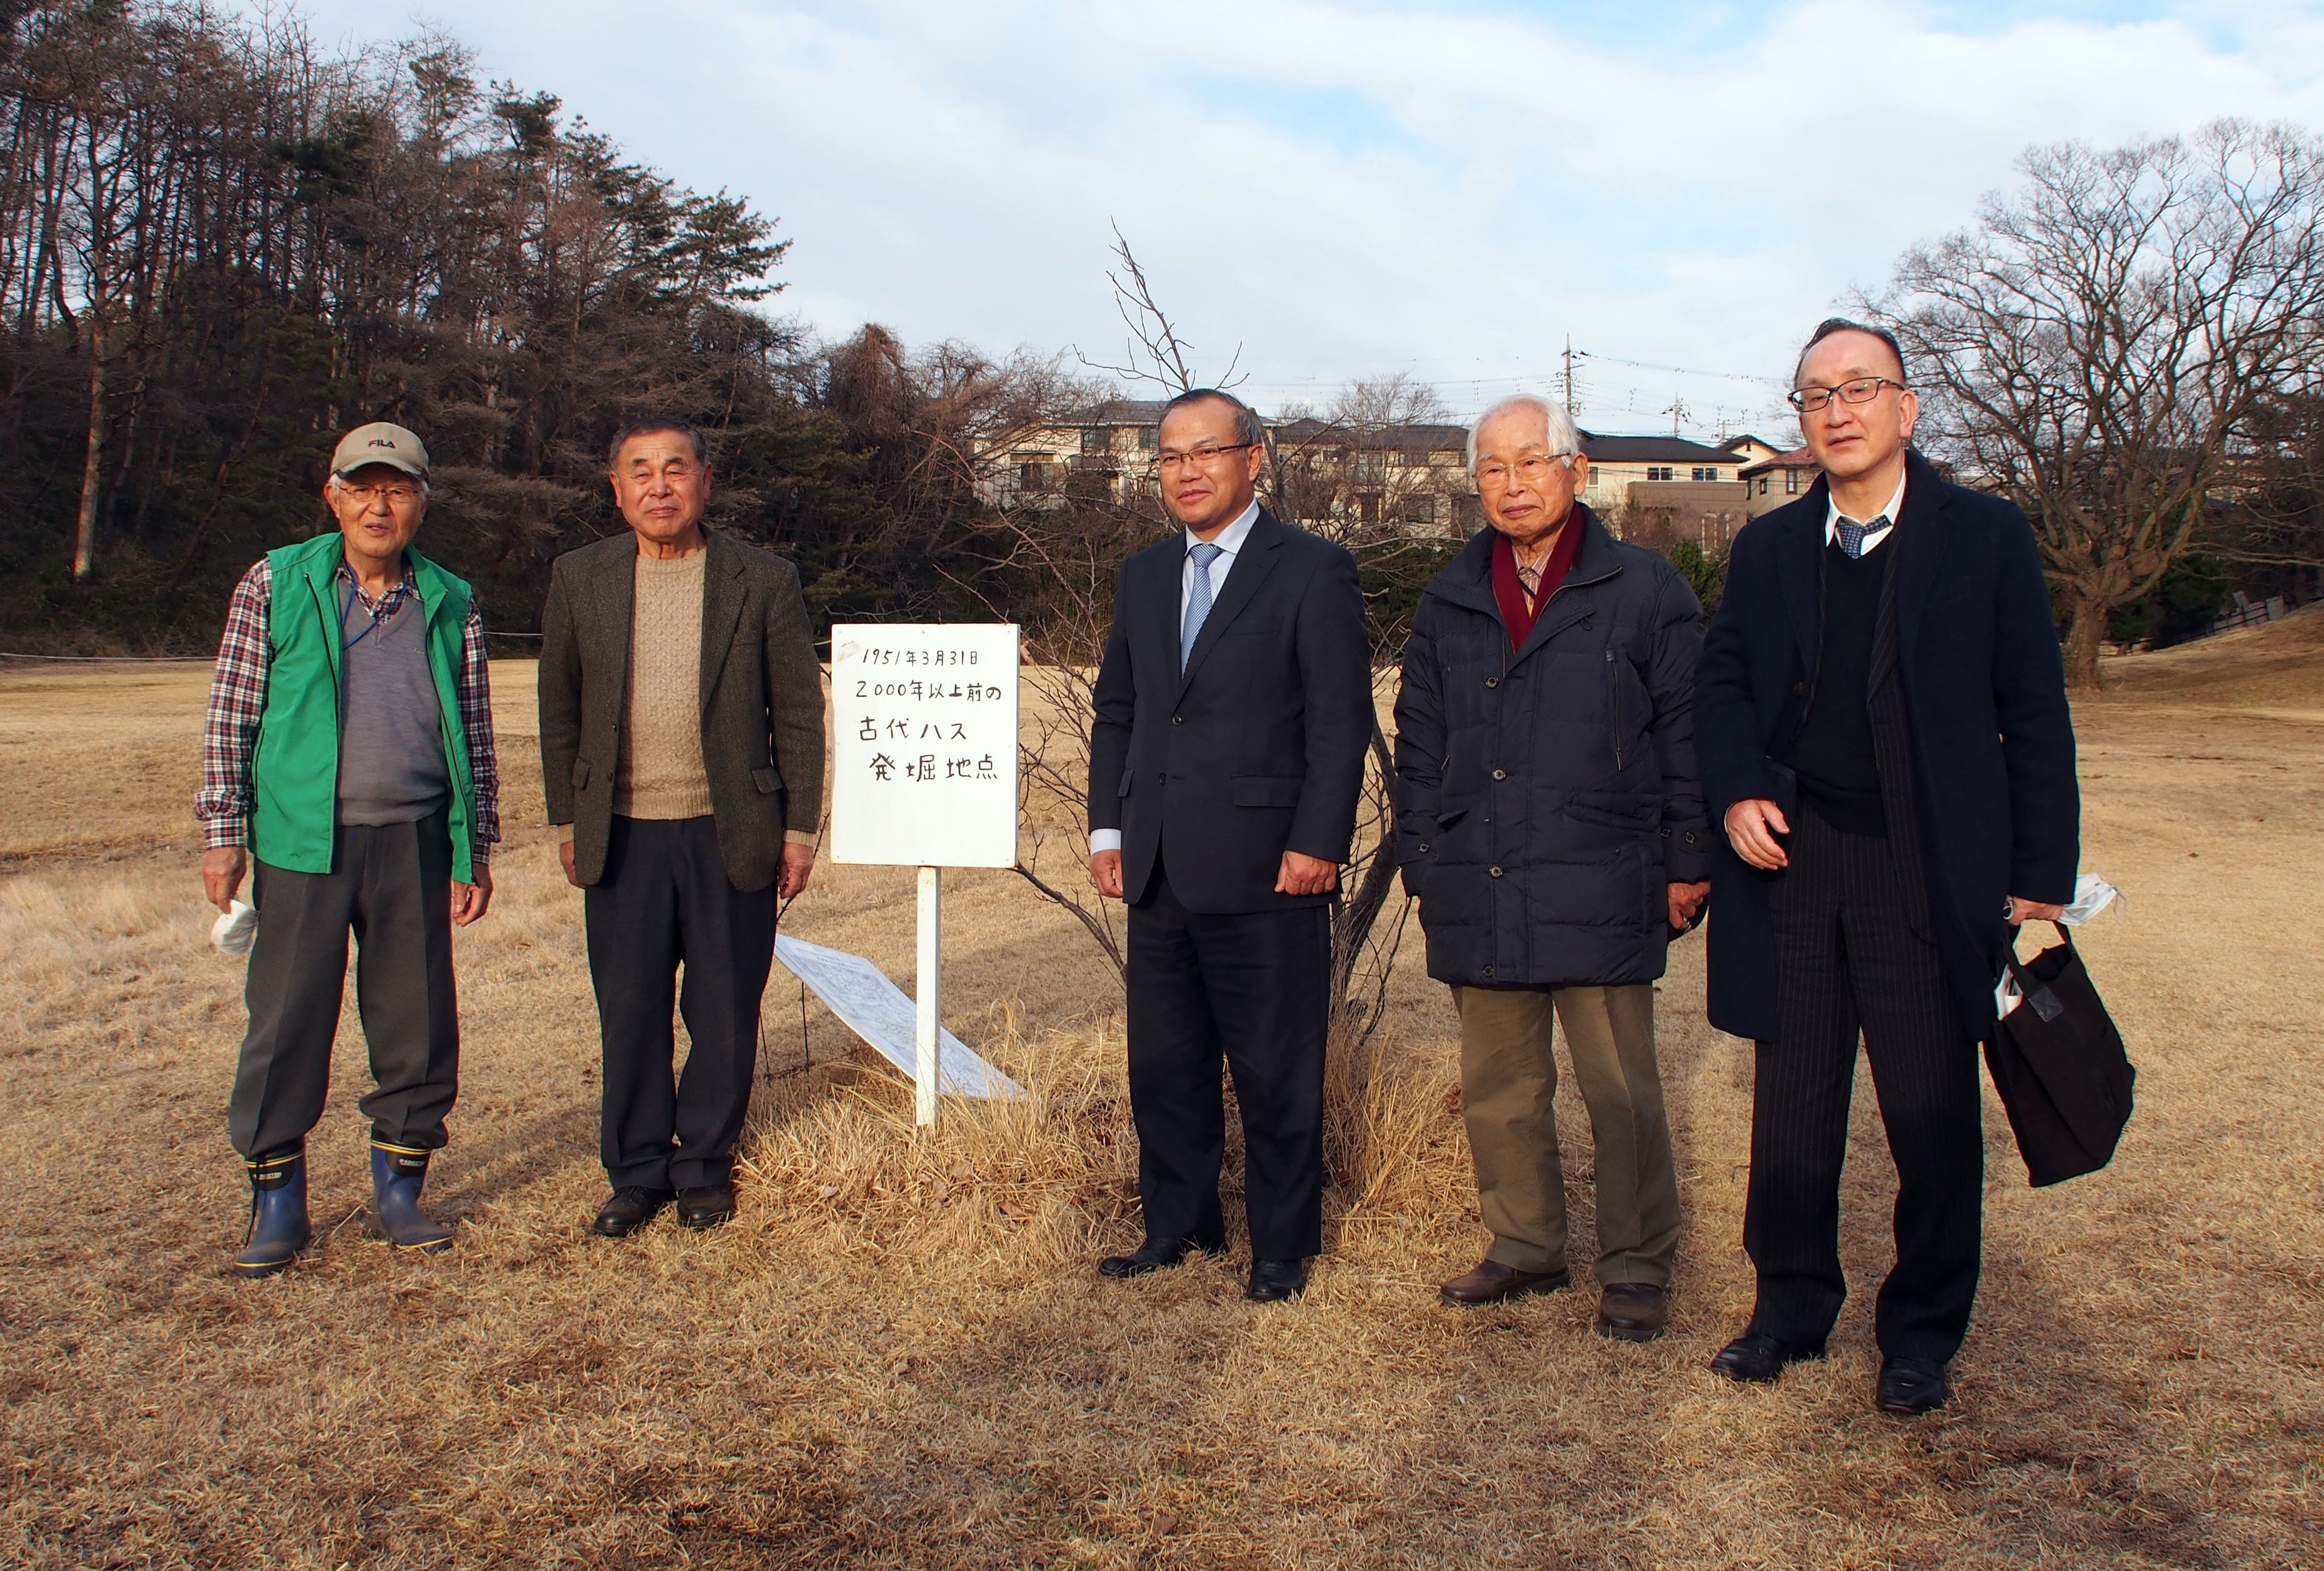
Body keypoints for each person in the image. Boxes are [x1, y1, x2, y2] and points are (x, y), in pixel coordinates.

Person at [1695, 319, 2079, 1413]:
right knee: (1794, 1109)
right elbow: (1721, 688)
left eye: (1859, 387)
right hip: (1795, 863)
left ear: (1905, 408)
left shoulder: (1985, 535)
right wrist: (1734, 790)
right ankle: (1788, 1310)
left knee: (1929, 1112)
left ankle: (1919, 1331)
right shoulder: (1768, 548)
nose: (1836, 409)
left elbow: (2032, 712)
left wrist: (2040, 868)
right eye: (1814, 394)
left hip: (1927, 868)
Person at [1392, 394, 1711, 1341]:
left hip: (1603, 872)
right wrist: (1422, 855)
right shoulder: (1450, 594)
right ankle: (1525, 1244)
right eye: (1492, 467)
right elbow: (1418, 738)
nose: (1512, 483)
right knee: (1499, 1088)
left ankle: (1636, 1264)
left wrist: (1687, 859)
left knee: (1620, 1091)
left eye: (1531, 461)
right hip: (1477, 875)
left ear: (1573, 470)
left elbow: (1689, 735)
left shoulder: (1644, 588)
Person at [1086, 389, 1372, 1303]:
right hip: (1159, 861)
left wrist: (1318, 838)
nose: (1185, 471)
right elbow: (1121, 711)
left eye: (1205, 452)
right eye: (1169, 456)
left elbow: (1339, 719)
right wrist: (1109, 826)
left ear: (1254, 458)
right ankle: (1178, 1224)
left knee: (1275, 1064)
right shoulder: (1141, 575)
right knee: (1164, 1064)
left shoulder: (1311, 569)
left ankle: (1282, 1245)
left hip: (1269, 864)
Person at [196, 421, 500, 1278]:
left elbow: (472, 731)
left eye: (397, 487)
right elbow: (232, 712)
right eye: (362, 486)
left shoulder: (450, 598)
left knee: (416, 1022)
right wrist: (224, 833)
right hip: (302, 844)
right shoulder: (276, 581)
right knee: (287, 1020)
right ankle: (277, 1202)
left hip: (412, 838)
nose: (379, 503)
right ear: (332, 495)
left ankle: (401, 1191)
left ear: (421, 502)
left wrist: (474, 846)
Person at [539, 419, 824, 1237]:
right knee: (627, 1009)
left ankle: (703, 1164)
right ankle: (634, 1172)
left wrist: (799, 827)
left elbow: (798, 713)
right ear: (616, 487)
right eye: (640, 472)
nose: (658, 486)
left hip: (729, 827)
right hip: (621, 831)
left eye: (675, 469)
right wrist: (567, 814)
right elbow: (558, 706)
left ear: (704, 480)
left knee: (725, 1008)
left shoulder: (761, 579)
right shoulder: (579, 576)